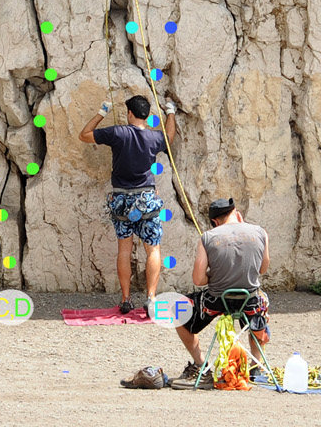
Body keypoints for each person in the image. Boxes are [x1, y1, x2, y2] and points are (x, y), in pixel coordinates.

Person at [79, 93, 176, 315]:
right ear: (147, 115)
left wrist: (101, 113)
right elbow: (169, 137)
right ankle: (151, 298)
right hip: (147, 200)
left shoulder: (118, 133)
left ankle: (125, 298)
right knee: (153, 249)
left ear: (129, 113)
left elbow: (84, 135)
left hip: (122, 199)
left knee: (124, 249)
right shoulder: (154, 138)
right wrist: (170, 112)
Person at [175, 197, 271, 383]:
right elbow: (263, 269)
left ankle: (201, 365)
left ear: (215, 221)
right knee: (262, 302)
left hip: (217, 301)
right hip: (250, 301)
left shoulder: (208, 237)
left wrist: (216, 274)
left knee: (176, 309)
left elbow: (198, 279)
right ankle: (257, 366)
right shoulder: (260, 233)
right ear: (237, 214)